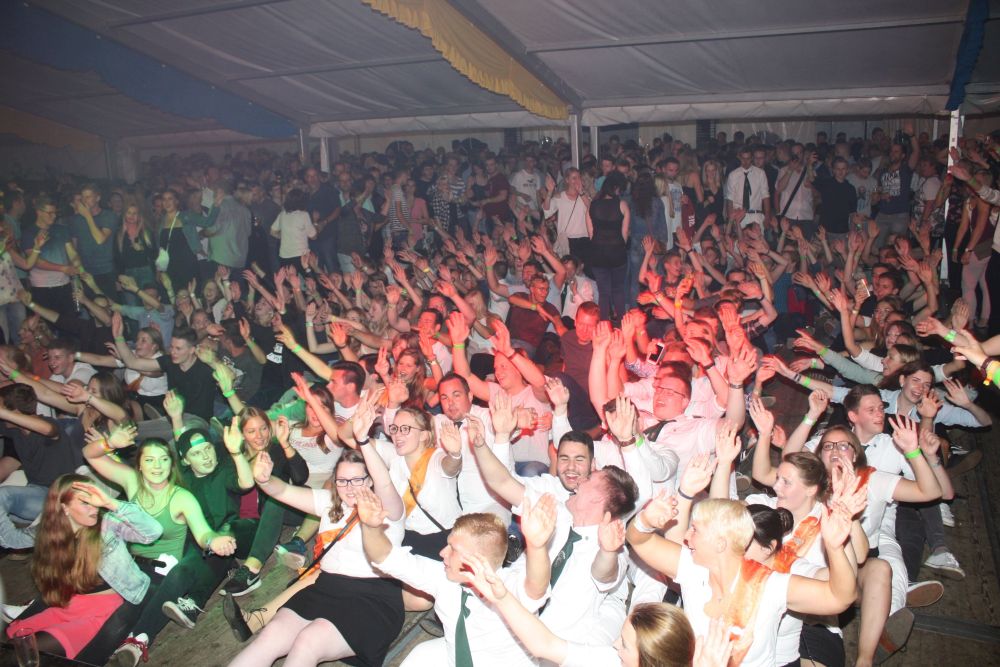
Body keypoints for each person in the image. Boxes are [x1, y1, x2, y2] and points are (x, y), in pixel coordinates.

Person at [226, 392, 406, 667]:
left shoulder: (389, 508)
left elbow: (384, 481)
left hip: (372, 599)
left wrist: (363, 441)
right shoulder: (331, 503)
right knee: (272, 634)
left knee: (308, 641)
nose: (349, 488)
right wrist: (264, 479)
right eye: (342, 481)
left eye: (358, 480)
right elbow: (282, 491)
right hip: (327, 589)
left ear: (370, 480)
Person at [81, 427, 237, 666]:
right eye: (150, 460)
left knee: (119, 620)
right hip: (126, 566)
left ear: (172, 464)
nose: (157, 466)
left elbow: (202, 532)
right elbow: (90, 454)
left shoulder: (181, 497)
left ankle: (136, 641)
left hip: (159, 575)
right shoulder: (132, 482)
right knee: (83, 609)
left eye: (164, 459)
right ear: (139, 465)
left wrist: (213, 540)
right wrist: (109, 443)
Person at [5, 475, 162, 664]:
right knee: (13, 642)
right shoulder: (49, 533)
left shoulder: (107, 525)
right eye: (85, 503)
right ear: (64, 507)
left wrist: (111, 503)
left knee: (30, 651)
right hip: (69, 605)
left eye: (95, 501)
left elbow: (153, 531)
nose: (94, 508)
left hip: (103, 609)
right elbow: (10, 539)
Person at [587, 172, 631, 321]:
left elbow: (591, 234)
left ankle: (603, 325)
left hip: (598, 254)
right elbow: (625, 234)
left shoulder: (592, 205)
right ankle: (622, 324)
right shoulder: (622, 205)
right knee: (618, 290)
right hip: (617, 253)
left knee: (603, 293)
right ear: (616, 188)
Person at [271, 188, 316, 268]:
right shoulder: (304, 215)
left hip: (285, 256)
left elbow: (272, 232)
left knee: (289, 276)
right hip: (301, 255)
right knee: (309, 276)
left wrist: (284, 236)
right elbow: (313, 236)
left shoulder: (282, 214)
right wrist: (316, 224)